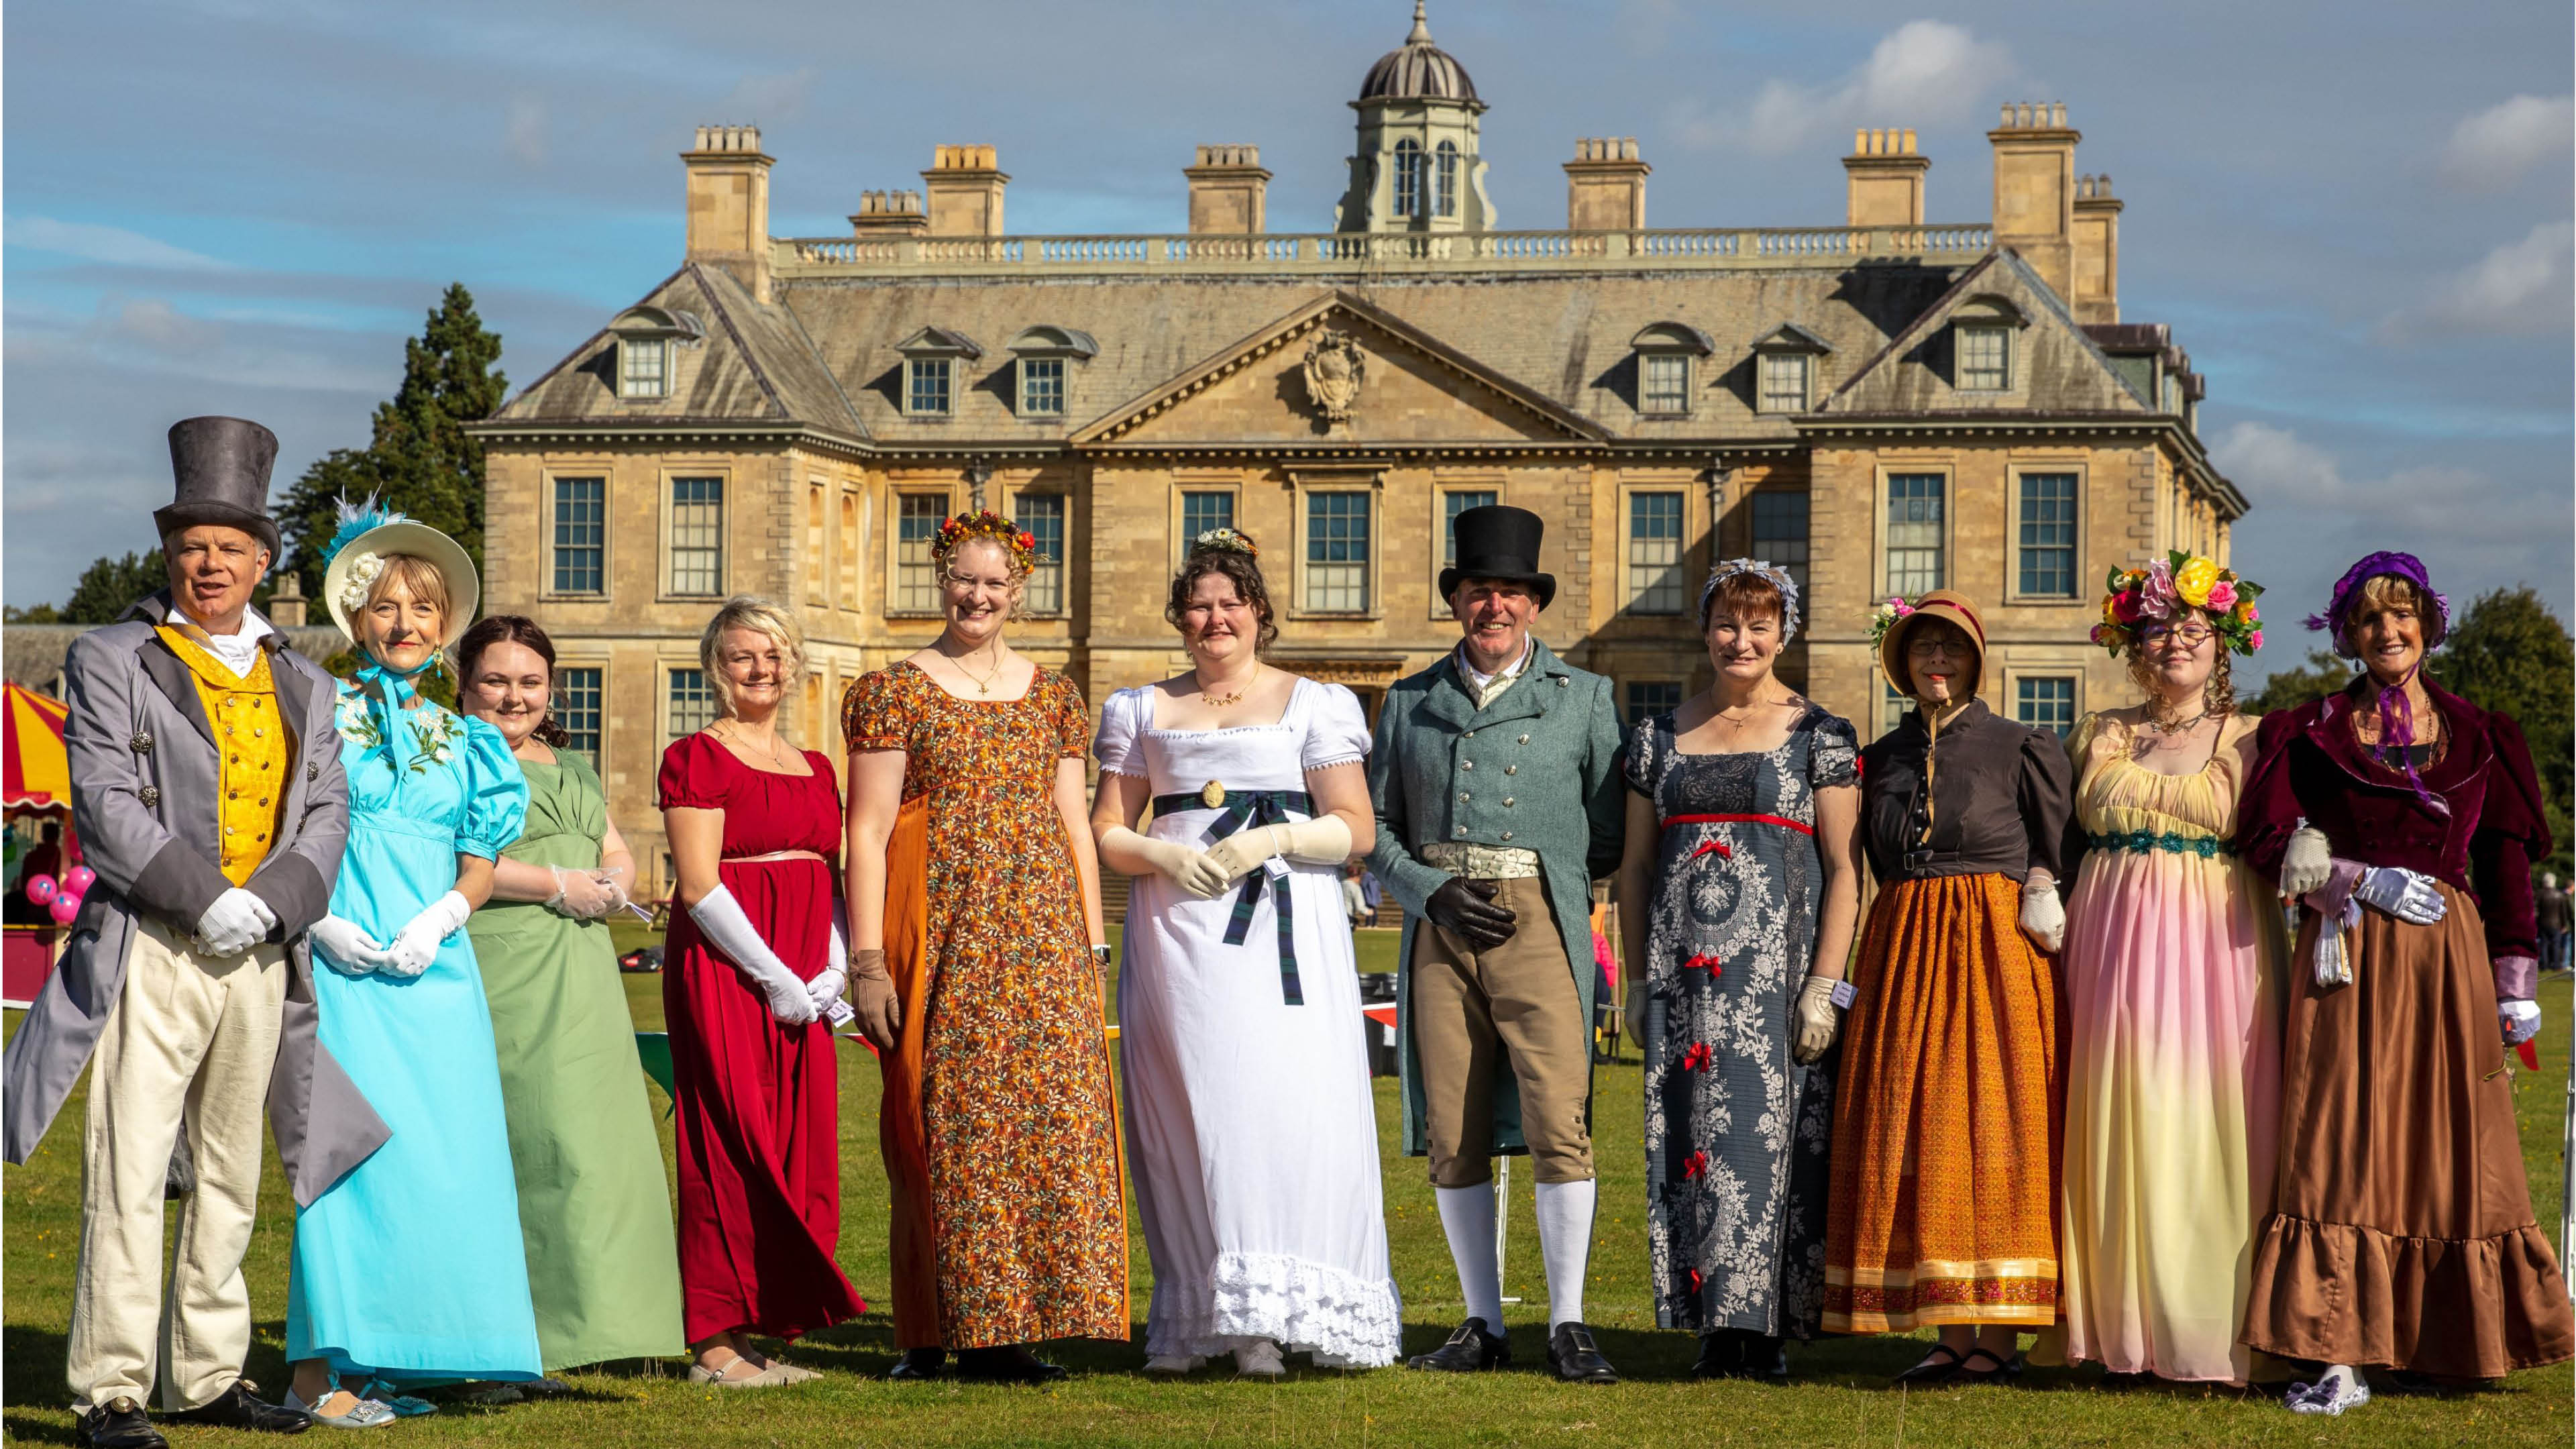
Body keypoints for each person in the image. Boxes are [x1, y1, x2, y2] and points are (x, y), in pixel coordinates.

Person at [2, 418, 359, 1449]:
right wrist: (202, 896)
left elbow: (327, 810)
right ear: (170, 553)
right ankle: (110, 1387)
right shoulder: (111, 654)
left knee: (231, 1167)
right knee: (129, 1163)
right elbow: (106, 798)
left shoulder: (307, 678)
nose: (212, 563)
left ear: (263, 561)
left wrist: (279, 898)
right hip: (152, 942)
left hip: (260, 951)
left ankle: (205, 1375)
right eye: (193, 545)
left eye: (232, 547)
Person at [2238, 552, 2574, 1413]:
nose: (2387, 632)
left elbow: (2502, 864)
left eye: (2402, 616)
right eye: (2369, 620)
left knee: (2448, 1147)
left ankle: (2443, 1339)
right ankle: (2336, 1349)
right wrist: (2344, 874)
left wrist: (2514, 978)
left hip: (2445, 956)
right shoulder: (2310, 729)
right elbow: (2267, 838)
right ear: (2347, 634)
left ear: (2427, 624)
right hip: (2348, 951)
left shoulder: (2479, 731)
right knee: (2343, 1141)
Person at [1090, 528, 1400, 1375]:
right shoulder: (1140, 709)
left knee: (1280, 1110)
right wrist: (1160, 853)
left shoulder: (1315, 701)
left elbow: (1356, 831)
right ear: (1179, 619)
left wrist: (1269, 844)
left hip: (1282, 929)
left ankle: (1282, 1311)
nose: (1214, 617)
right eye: (1198, 605)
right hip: (1178, 937)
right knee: (1194, 1111)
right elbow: (1107, 832)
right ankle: (1205, 1314)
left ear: (1259, 613)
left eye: (1230, 603)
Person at [843, 511, 1124, 1384]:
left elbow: (1076, 825)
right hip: (945, 940)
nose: (978, 596)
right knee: (949, 1131)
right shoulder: (895, 690)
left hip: (1041, 948)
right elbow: (867, 830)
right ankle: (933, 1335)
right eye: (964, 579)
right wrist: (865, 960)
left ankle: (1013, 1331)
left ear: (1020, 591)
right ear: (941, 579)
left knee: (1038, 1135)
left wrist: (1089, 947)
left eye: (995, 584)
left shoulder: (1053, 695)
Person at [283, 502, 540, 1423]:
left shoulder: (467, 738)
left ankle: (432, 1349)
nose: (404, 624)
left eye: (423, 609)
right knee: (346, 1166)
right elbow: (274, 838)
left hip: (437, 975)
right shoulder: (314, 712)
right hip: (341, 972)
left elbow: (481, 861)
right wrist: (317, 927)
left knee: (446, 1162)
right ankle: (321, 1374)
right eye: (386, 606)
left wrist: (443, 916)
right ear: (357, 618)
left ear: (445, 626)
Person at [1364, 505, 1626, 1383]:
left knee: (1561, 1122)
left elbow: (1608, 828)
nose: (1495, 607)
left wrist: (1542, 880)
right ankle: (1481, 1321)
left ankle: (1568, 1321)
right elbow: (1378, 824)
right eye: (1480, 592)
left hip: (1541, 921)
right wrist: (1426, 890)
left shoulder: (1585, 698)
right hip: (1440, 925)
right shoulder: (1407, 701)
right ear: (1458, 602)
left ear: (1534, 604)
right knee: (1453, 1127)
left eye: (1510, 592)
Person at [1615, 559, 1861, 1382]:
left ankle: (1768, 1332)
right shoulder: (1656, 739)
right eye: (1727, 623)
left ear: (1784, 632)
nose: (1741, 640)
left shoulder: (1820, 736)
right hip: (1685, 986)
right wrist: (1636, 983)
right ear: (1705, 630)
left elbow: (1845, 872)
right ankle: (1711, 1327)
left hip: (1778, 983)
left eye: (1759, 625)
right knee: (1690, 1143)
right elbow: (1636, 872)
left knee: (1770, 1145)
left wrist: (1826, 986)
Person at [1825, 589, 2073, 1385]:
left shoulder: (2018, 742)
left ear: (1976, 660)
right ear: (1902, 664)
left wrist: (2039, 882)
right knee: (1918, 1124)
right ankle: (1948, 1324)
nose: (1938, 661)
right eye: (1923, 649)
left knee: (1993, 1124)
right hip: (1903, 942)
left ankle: (1999, 1332)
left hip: (1993, 946)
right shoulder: (1882, 756)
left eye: (1952, 649)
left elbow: (2058, 845)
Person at [2047, 553, 2283, 1385]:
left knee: (2203, 1124)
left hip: (2214, 941)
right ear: (2132, 643)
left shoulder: (2255, 736)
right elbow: (2054, 837)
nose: (2175, 641)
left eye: (2193, 628)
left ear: (2223, 643)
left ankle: (2207, 1328)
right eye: (2157, 628)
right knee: (2115, 1116)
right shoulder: (2100, 729)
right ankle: (2116, 1330)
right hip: (2108, 935)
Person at [459, 615, 685, 1379]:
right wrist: (558, 885)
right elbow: (451, 861)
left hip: (586, 970)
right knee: (531, 1146)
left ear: (550, 688)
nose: (513, 696)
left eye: (529, 682)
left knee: (601, 1149)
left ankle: (609, 1330)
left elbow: (614, 847)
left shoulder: (575, 765)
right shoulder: (452, 757)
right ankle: (519, 1341)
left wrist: (612, 881)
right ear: (465, 683)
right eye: (496, 680)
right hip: (506, 965)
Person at [657, 597, 864, 1386]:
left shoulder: (816, 768)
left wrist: (833, 972)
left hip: (807, 976)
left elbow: (832, 879)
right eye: (743, 655)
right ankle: (714, 1340)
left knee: (793, 1140)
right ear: (717, 665)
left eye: (773, 655)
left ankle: (764, 1323)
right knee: (726, 1139)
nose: (760, 670)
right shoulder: (698, 758)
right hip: (727, 969)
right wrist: (773, 977)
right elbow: (700, 885)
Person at [2538, 871, 2570, 976]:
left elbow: (2537, 910)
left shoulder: (2540, 894)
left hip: (2543, 923)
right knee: (2556, 945)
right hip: (2556, 924)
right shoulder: (2559, 895)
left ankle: (2545, 965)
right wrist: (2564, 925)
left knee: (2544, 945)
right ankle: (2556, 965)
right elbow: (2563, 912)